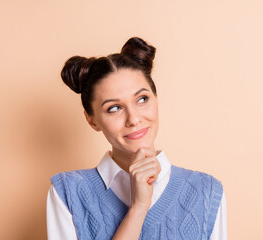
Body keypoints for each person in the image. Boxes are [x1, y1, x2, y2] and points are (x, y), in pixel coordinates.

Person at [46, 37, 227, 240]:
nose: (133, 119)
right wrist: (138, 208)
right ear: (92, 120)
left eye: (142, 99)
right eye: (114, 108)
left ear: (157, 101)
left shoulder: (206, 192)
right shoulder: (68, 193)